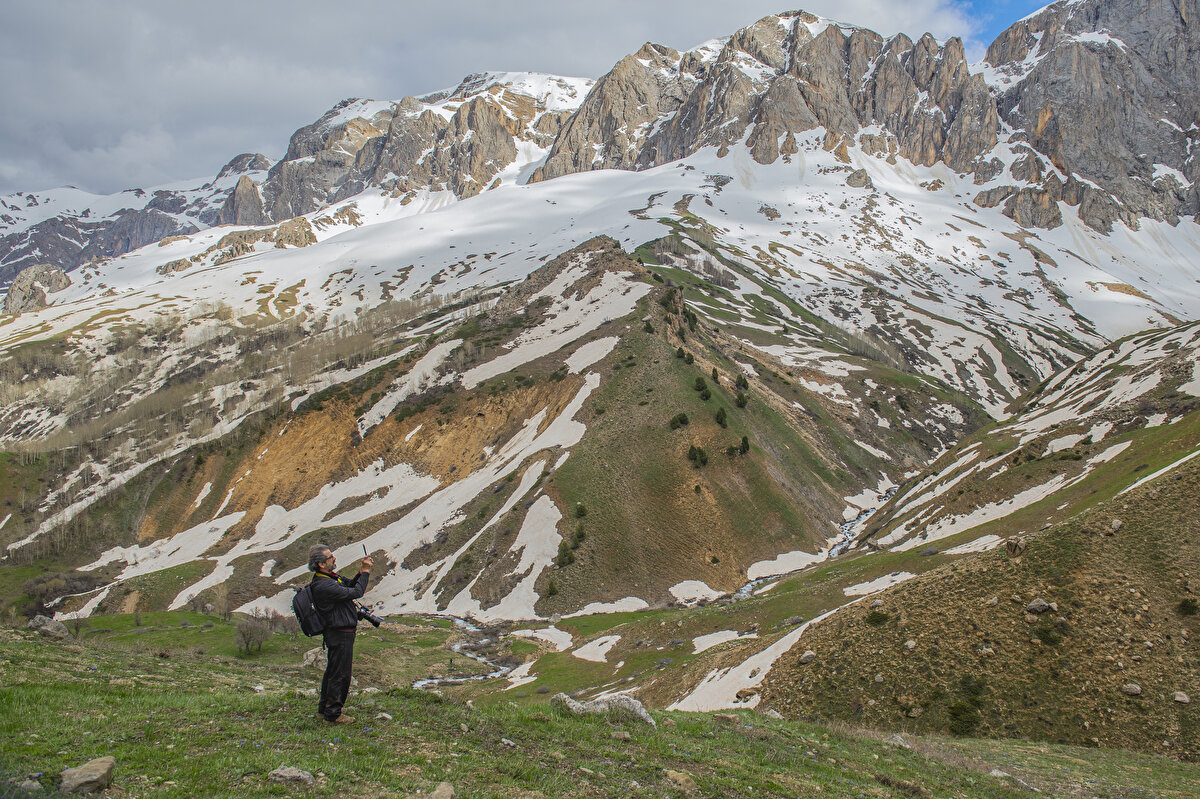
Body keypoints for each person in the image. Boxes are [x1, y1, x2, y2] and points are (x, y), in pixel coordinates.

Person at [307, 544, 373, 725]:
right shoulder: (323, 585)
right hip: (339, 632)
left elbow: (349, 586)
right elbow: (356, 592)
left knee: (333, 671)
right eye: (330, 557)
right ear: (321, 564)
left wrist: (360, 572)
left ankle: (325, 709)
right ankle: (333, 714)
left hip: (339, 631)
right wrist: (366, 572)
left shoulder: (328, 578)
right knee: (341, 674)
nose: (334, 559)